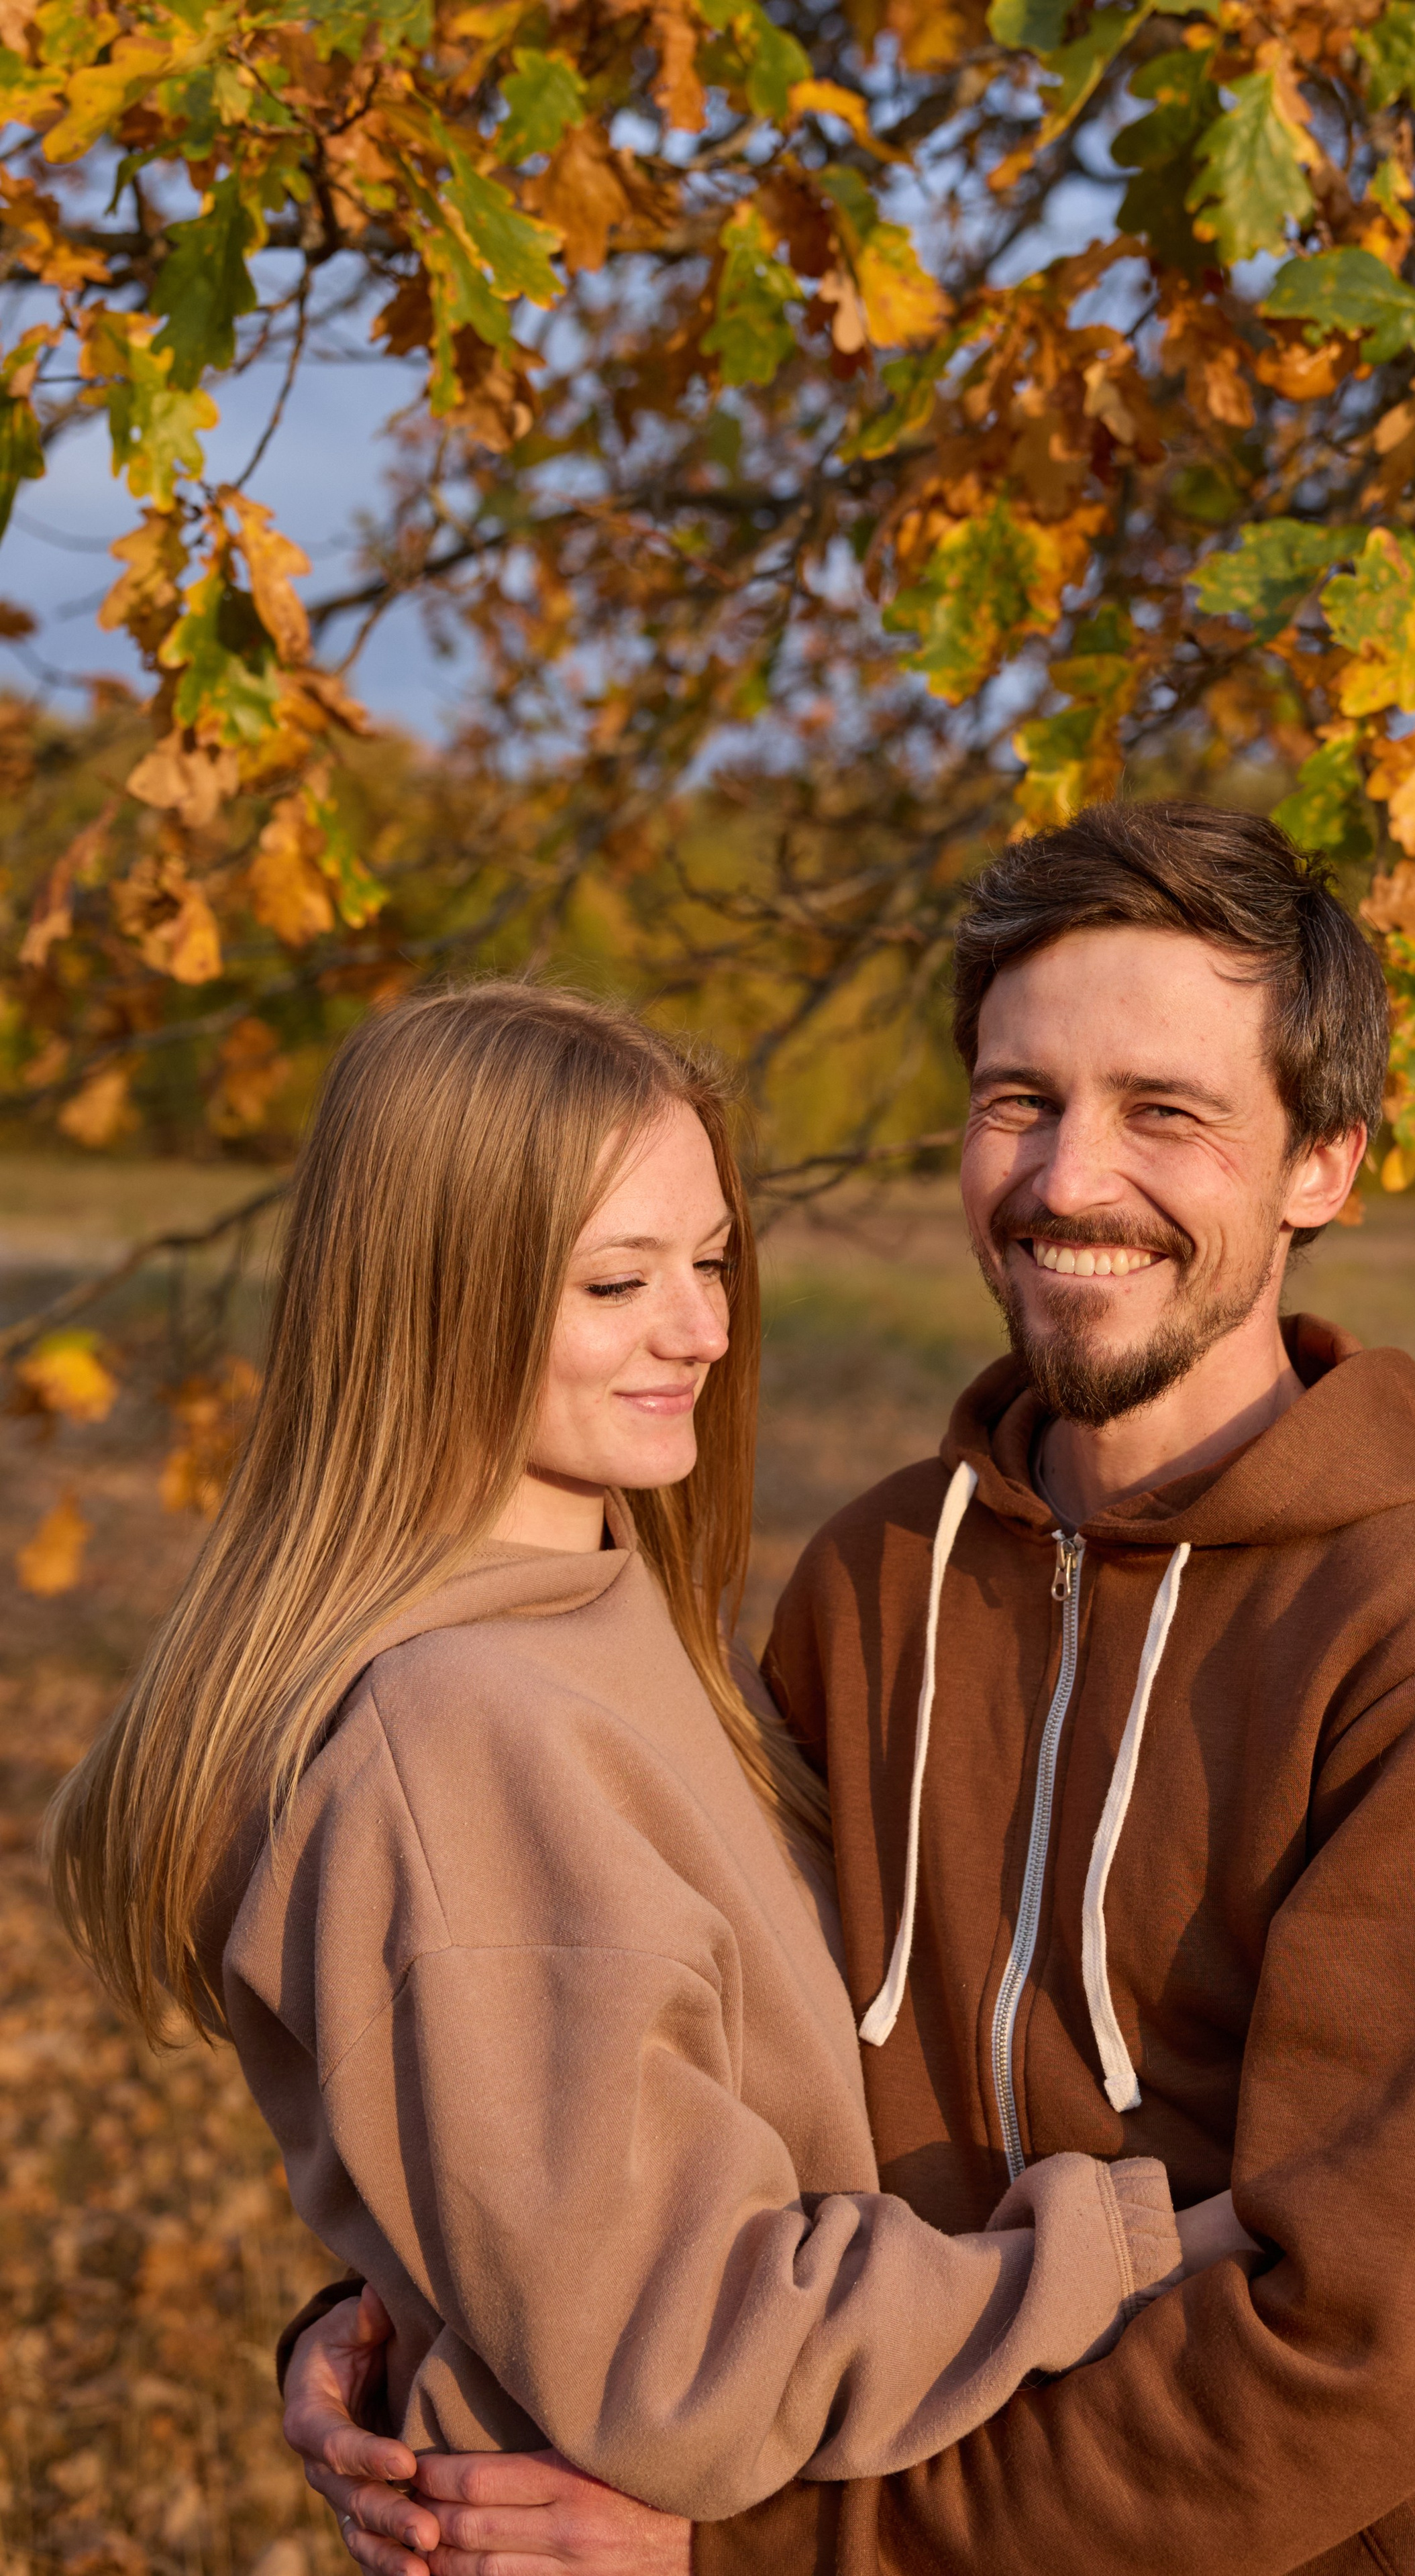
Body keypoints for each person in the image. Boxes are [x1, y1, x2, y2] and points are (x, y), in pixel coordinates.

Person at [284, 804, 1415, 2576]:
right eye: (1020, 1101)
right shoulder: (875, 1580)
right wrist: (407, 2319)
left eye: (1165, 1112)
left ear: (1326, 1165)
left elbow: (1350, 2343)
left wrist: (756, 2553)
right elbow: (664, 2074)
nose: (1069, 1179)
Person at [48, 983, 1265, 2524]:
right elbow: (687, 2362)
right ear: (434, 1300)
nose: (700, 1331)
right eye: (617, 1283)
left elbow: (560, 2216)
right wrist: (1146, 2248)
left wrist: (406, 2310)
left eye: (708, 1264)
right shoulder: (468, 1733)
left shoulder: (611, 1625)